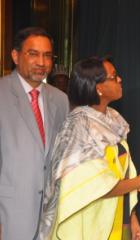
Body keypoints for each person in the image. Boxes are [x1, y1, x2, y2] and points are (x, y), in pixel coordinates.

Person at [39, 57, 140, 240]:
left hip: (117, 220)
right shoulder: (79, 127)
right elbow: (97, 185)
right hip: (89, 224)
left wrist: (132, 218)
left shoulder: (114, 119)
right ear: (98, 88)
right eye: (113, 76)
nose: (120, 79)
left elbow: (123, 173)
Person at [0, 27, 69, 240]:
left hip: (50, 217)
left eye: (47, 55)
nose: (42, 62)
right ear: (15, 55)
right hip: (9, 217)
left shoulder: (60, 99)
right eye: (33, 54)